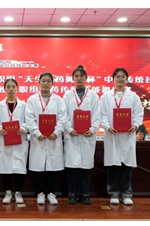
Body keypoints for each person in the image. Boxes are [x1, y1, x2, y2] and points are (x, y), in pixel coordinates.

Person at [100, 67, 145, 205]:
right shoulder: (105, 96)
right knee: (112, 165)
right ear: (113, 79)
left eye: (122, 76)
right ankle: (113, 193)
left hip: (127, 135)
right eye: (117, 76)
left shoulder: (134, 97)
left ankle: (126, 194)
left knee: (126, 166)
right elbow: (102, 115)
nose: (120, 79)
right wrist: (108, 127)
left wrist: (135, 126)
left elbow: (138, 114)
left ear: (126, 79)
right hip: (112, 135)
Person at [25, 72, 65, 204]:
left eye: (48, 81)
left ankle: (51, 193)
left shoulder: (58, 100)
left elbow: (62, 118)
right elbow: (29, 119)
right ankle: (40, 193)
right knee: (39, 168)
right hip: (39, 139)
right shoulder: (32, 100)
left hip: (53, 138)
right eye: (43, 81)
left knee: (52, 167)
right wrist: (37, 133)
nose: (46, 83)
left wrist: (57, 132)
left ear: (52, 83)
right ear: (39, 83)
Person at [64, 66, 100, 205]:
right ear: (73, 78)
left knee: (86, 167)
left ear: (86, 78)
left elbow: (97, 114)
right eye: (76, 76)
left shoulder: (93, 96)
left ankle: (85, 194)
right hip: (72, 135)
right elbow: (63, 114)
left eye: (81, 76)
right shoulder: (67, 95)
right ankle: (72, 194)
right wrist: (69, 129)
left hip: (87, 136)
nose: (79, 78)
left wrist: (92, 129)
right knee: (72, 168)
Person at [0, 78, 30, 204]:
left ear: (17, 88)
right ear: (4, 89)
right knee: (6, 167)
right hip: (5, 141)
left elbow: (29, 121)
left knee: (19, 168)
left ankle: (18, 192)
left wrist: (23, 128)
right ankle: (8, 192)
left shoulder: (24, 105)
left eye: (13, 87)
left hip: (19, 141)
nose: (10, 89)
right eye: (8, 87)